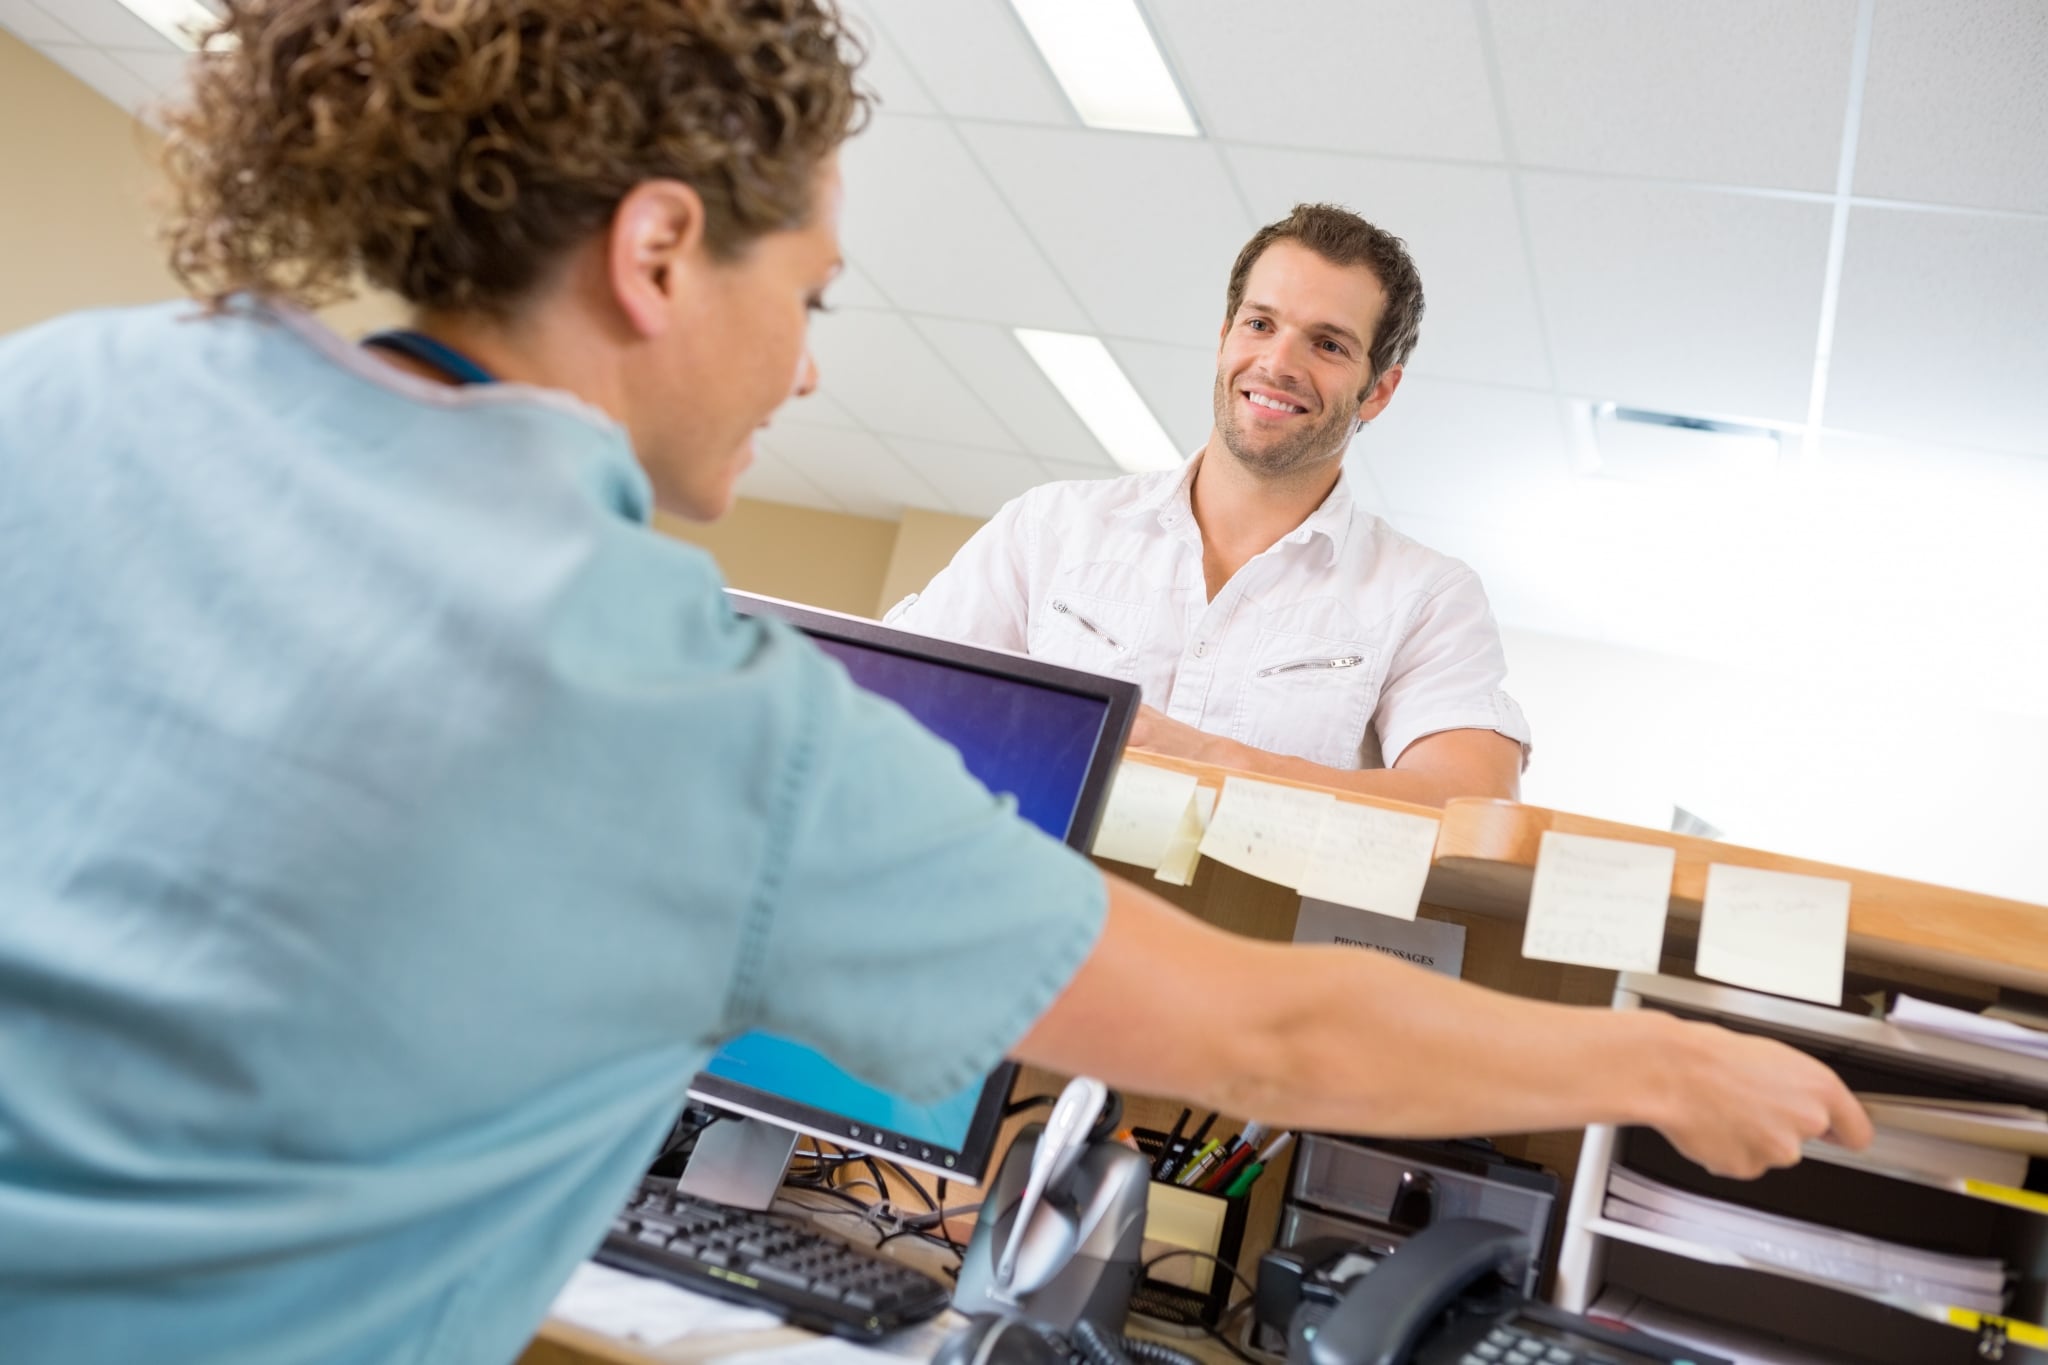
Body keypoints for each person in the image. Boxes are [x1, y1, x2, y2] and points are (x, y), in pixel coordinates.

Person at [0, 5, 1867, 1364]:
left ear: (1373, 385)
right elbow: (1267, 1034)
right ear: (658, 253)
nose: (809, 371)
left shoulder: (63, 393)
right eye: (808, 296)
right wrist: (1655, 1060)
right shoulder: (702, 715)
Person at [890, 205, 1526, 807]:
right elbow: (899, 703)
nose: (1277, 363)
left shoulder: (1426, 595)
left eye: (1328, 344)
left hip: (1246, 924)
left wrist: (1210, 760)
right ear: (1225, 338)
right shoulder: (1050, 527)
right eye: (1259, 324)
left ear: (1379, 391)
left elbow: (1470, 802)